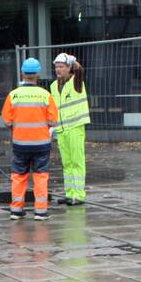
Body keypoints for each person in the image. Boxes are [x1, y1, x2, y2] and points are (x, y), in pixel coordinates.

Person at [1, 58, 59, 220]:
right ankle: (40, 211)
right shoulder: (45, 95)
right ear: (38, 74)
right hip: (41, 144)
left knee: (19, 176)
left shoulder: (14, 95)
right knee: (40, 176)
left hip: (20, 143)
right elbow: (53, 121)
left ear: (22, 73)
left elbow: (7, 121)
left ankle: (16, 210)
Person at [51, 52, 90, 206]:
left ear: (69, 68)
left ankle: (78, 195)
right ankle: (69, 194)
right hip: (61, 129)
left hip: (75, 127)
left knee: (77, 162)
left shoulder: (76, 82)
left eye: (61, 66)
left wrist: (74, 61)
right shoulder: (53, 86)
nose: (58, 69)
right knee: (67, 164)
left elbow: (80, 71)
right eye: (56, 67)